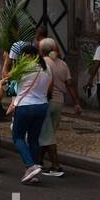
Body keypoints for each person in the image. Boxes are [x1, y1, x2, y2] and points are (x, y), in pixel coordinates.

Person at [6, 43, 52, 185]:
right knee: (33, 139)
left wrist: (7, 60)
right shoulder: (46, 68)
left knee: (18, 137)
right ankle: (33, 172)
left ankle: (30, 165)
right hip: (42, 106)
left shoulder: (24, 68)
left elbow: (6, 78)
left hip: (25, 106)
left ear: (26, 56)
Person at [37, 38, 81, 178]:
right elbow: (70, 84)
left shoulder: (41, 63)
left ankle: (56, 165)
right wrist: (76, 103)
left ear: (42, 50)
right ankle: (39, 161)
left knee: (47, 135)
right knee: (47, 134)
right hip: (59, 103)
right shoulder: (63, 64)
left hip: (45, 101)